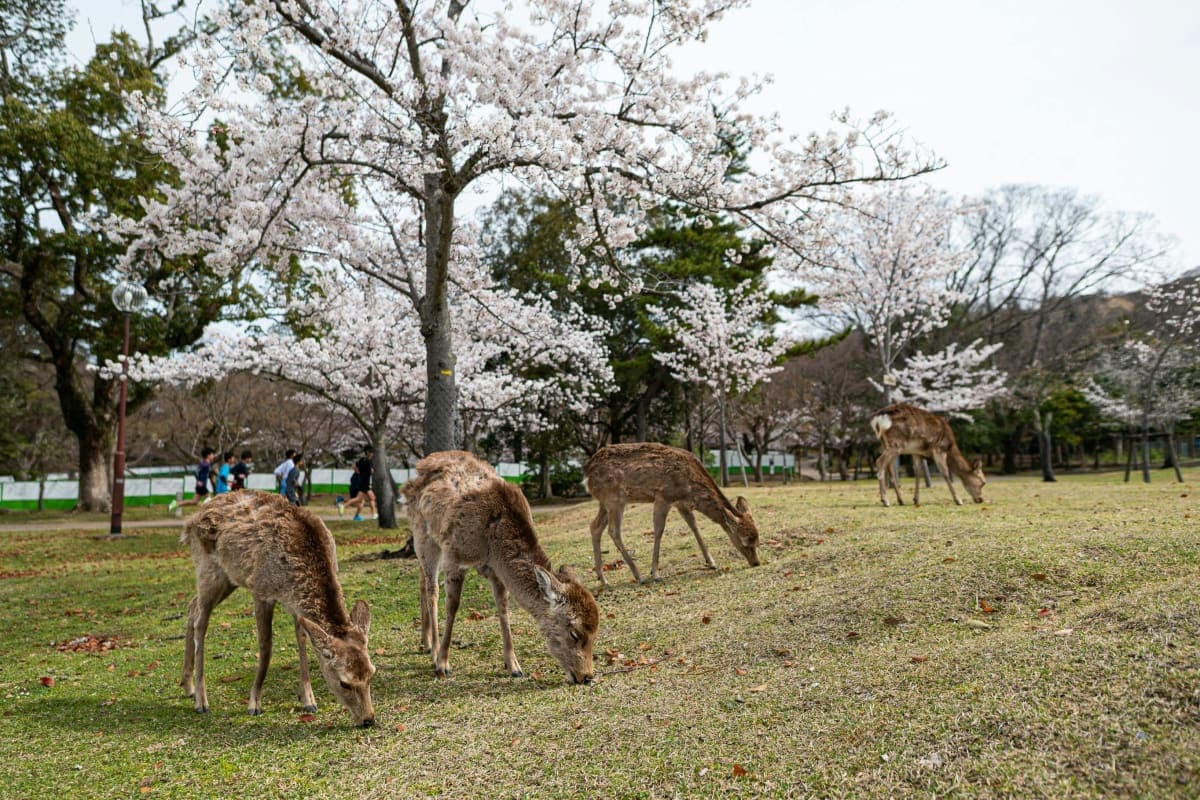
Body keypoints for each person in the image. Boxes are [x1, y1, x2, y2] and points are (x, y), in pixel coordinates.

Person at [169, 448, 215, 515]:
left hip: (201, 486)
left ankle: (176, 503)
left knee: (194, 502)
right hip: (201, 485)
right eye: (212, 454)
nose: (213, 456)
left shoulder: (207, 464)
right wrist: (199, 480)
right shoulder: (205, 464)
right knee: (209, 499)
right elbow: (196, 471)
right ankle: (204, 513)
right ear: (208, 456)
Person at [341, 447, 377, 522]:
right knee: (372, 498)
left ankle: (343, 506)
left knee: (359, 499)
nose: (373, 454)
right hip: (365, 483)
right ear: (368, 452)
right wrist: (371, 471)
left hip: (362, 481)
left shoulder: (362, 460)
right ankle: (374, 514)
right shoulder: (368, 461)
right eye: (372, 452)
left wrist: (359, 472)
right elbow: (371, 471)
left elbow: (354, 466)